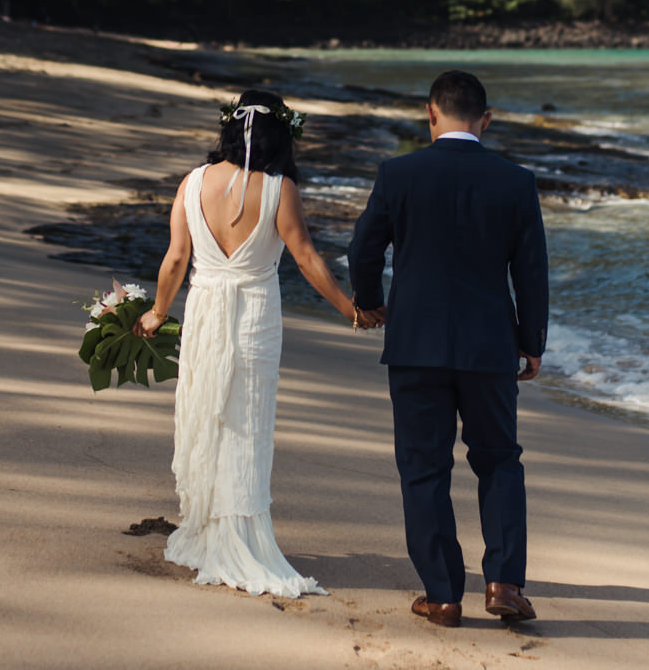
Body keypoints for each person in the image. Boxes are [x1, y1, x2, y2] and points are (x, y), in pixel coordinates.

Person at [135, 89, 377, 596]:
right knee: (246, 418)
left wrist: (158, 314)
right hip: (255, 316)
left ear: (229, 129)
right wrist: (351, 311)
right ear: (281, 135)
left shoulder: (193, 182)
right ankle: (240, 535)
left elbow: (176, 258)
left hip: (204, 309)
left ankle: (207, 528)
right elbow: (307, 258)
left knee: (207, 410)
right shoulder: (280, 188)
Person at [348, 69, 548, 629]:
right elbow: (531, 272)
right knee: (499, 460)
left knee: (423, 467)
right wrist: (531, 343)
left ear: (430, 114)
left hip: (415, 342)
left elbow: (363, 248)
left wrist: (370, 301)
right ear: (485, 120)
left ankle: (442, 595)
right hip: (489, 347)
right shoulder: (516, 181)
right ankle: (504, 582)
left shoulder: (398, 173)